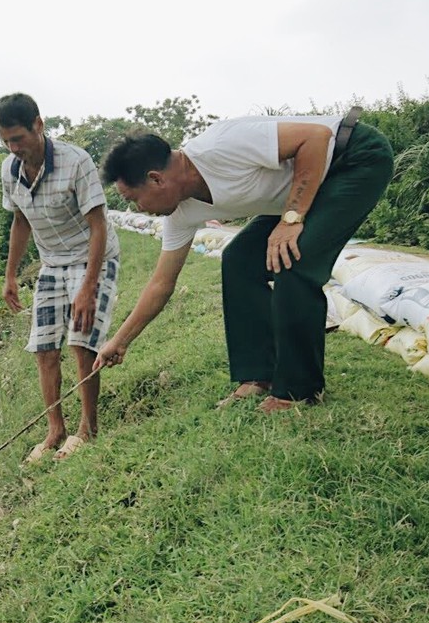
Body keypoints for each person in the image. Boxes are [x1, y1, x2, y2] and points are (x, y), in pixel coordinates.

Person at [95, 111, 393, 410]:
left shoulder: (218, 146)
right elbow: (162, 283)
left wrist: (291, 219)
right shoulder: (181, 213)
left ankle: (298, 390)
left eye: (134, 199)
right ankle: (258, 376)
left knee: (293, 261)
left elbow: (316, 137)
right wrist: (120, 341)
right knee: (238, 259)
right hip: (307, 185)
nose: (139, 209)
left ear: (156, 179)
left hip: (352, 157)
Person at [0, 92, 118, 461]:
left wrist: (88, 288)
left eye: (18, 138)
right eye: (6, 141)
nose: (14, 147)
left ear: (38, 125)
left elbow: (98, 226)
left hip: (91, 257)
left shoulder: (76, 161)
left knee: (81, 342)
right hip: (51, 263)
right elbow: (20, 221)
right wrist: (10, 275)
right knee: (45, 348)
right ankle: (55, 430)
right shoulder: (9, 170)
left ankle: (87, 428)